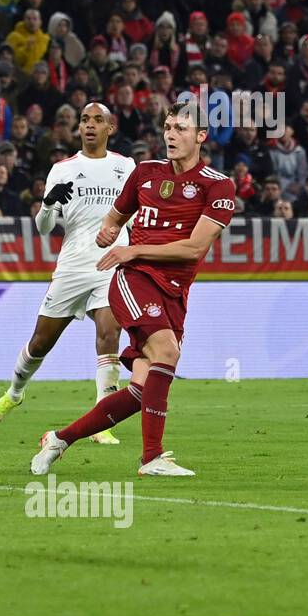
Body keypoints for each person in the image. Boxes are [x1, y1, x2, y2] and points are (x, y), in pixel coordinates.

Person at [33, 102, 236, 477]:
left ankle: (60, 439)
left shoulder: (218, 184)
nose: (171, 135)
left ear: (201, 136)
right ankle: (152, 458)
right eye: (168, 127)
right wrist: (109, 231)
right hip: (134, 278)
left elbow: (194, 248)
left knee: (143, 389)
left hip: (174, 291)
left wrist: (132, 244)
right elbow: (114, 217)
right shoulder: (144, 173)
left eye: (181, 129)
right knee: (167, 351)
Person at [0, 103, 134, 445]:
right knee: (41, 342)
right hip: (73, 266)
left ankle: (102, 420)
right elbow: (44, 227)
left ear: (110, 128)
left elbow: (134, 217)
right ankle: (14, 393)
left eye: (98, 120)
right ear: (79, 128)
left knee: (110, 336)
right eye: (84, 120)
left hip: (110, 265)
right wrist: (49, 204)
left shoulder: (126, 167)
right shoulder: (62, 169)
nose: (90, 125)